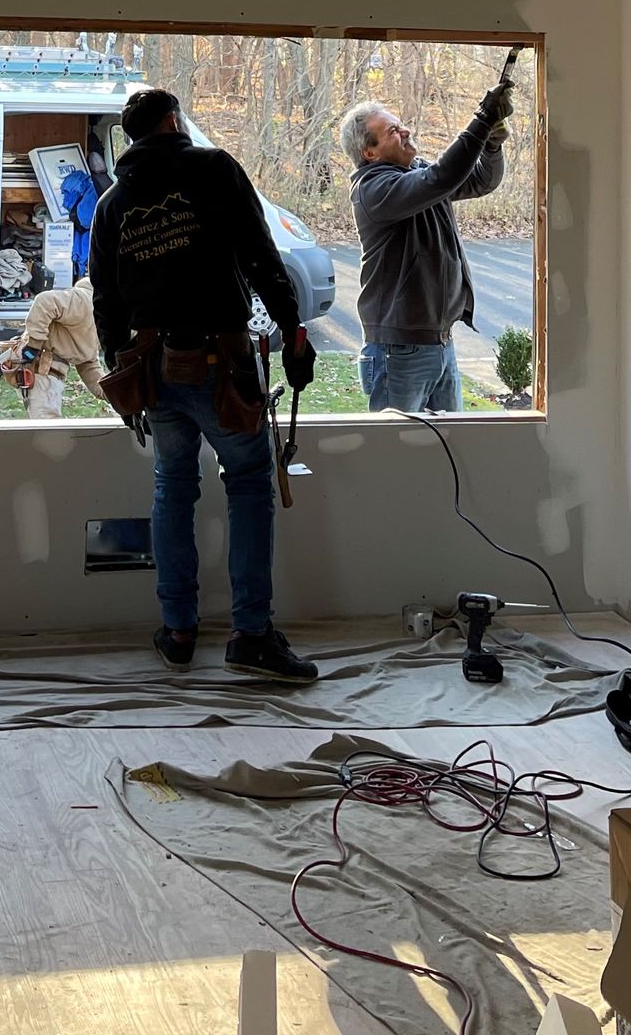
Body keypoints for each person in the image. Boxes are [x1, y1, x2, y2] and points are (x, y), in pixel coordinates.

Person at [88, 87, 319, 680]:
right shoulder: (212, 170)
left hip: (155, 372)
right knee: (248, 485)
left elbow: (107, 303)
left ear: (131, 138)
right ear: (172, 121)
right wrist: (292, 326)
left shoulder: (113, 204)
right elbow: (261, 254)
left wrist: (123, 377)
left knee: (172, 486)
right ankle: (251, 635)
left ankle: (179, 630)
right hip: (222, 364)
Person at [340, 63, 517, 415]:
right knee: (396, 454)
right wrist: (482, 120)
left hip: (439, 342)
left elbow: (480, 181)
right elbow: (441, 178)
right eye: (392, 131)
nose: (405, 131)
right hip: (398, 349)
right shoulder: (374, 190)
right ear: (370, 152)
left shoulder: (416, 173)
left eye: (400, 124)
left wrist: (491, 146)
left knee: (450, 445)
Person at [0, 277, 106, 418]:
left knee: (49, 428)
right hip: (41, 369)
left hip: (49, 375)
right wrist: (34, 345)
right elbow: (45, 301)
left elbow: (88, 362)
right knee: (48, 429)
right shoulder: (83, 300)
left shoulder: (98, 321)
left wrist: (113, 393)